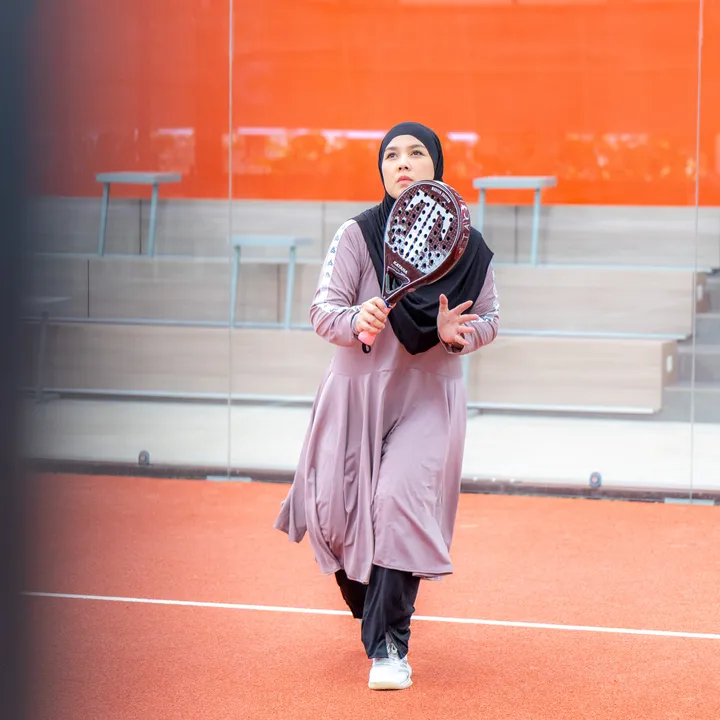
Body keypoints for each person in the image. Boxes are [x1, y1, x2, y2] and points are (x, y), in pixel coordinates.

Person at [274, 121, 499, 690]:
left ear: (437, 167)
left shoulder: (469, 248)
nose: (402, 162)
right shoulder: (357, 234)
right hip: (354, 395)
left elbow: (490, 318)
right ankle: (372, 607)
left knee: (400, 503)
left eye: (416, 153)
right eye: (391, 154)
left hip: (428, 398)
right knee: (337, 519)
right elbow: (323, 310)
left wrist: (458, 336)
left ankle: (390, 646)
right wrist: (357, 318)